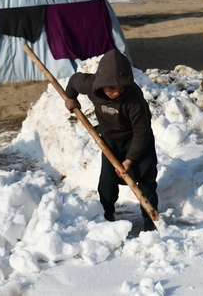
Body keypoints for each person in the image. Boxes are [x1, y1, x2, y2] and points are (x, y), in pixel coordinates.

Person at [64, 49, 159, 231]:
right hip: (110, 141)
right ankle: (106, 217)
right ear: (101, 84)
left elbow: (142, 132)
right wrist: (70, 98)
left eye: (121, 88)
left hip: (138, 141)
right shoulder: (91, 85)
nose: (116, 93)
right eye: (111, 89)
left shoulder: (134, 100)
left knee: (146, 182)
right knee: (106, 182)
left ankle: (150, 223)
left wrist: (130, 160)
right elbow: (75, 80)